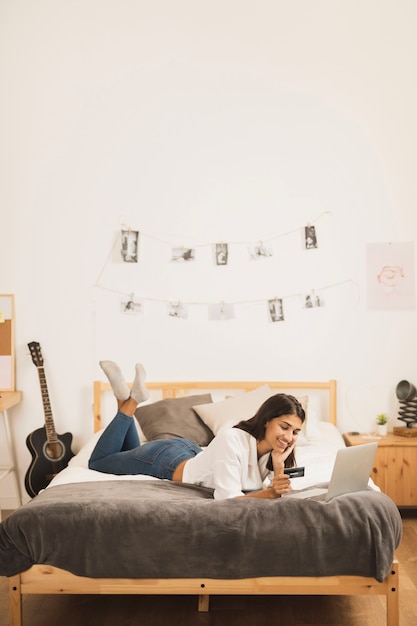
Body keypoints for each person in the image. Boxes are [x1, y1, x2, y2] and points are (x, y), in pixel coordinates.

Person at [89, 361, 305, 500]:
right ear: (267, 420)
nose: (288, 437)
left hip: (188, 452)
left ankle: (123, 398)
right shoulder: (232, 439)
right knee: (99, 461)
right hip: (165, 460)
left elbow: (279, 494)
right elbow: (229, 501)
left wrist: (278, 466)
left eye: (295, 432)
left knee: (128, 453)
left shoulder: (272, 453)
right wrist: (269, 493)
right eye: (284, 427)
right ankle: (133, 401)